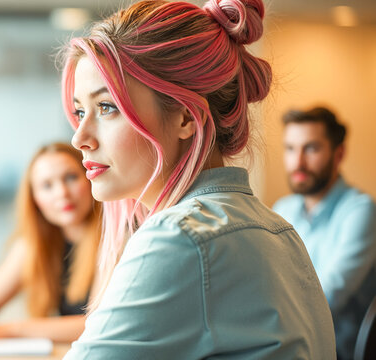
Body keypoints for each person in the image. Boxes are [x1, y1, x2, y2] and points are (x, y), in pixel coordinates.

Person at [59, 0, 335, 358]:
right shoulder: (278, 230)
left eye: (107, 108)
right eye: (80, 111)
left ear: (186, 118)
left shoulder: (179, 238)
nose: (78, 138)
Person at [0, 142, 101, 342]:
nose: (62, 193)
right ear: (34, 199)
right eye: (47, 186)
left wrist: (3, 331)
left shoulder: (114, 237)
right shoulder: (35, 244)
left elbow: (97, 324)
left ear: (91, 177)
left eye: (71, 178)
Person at [273, 106, 376, 360]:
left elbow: (327, 298)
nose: (298, 162)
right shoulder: (282, 209)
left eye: (311, 148)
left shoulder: (361, 210)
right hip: (288, 339)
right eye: (290, 148)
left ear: (338, 154)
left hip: (338, 349)